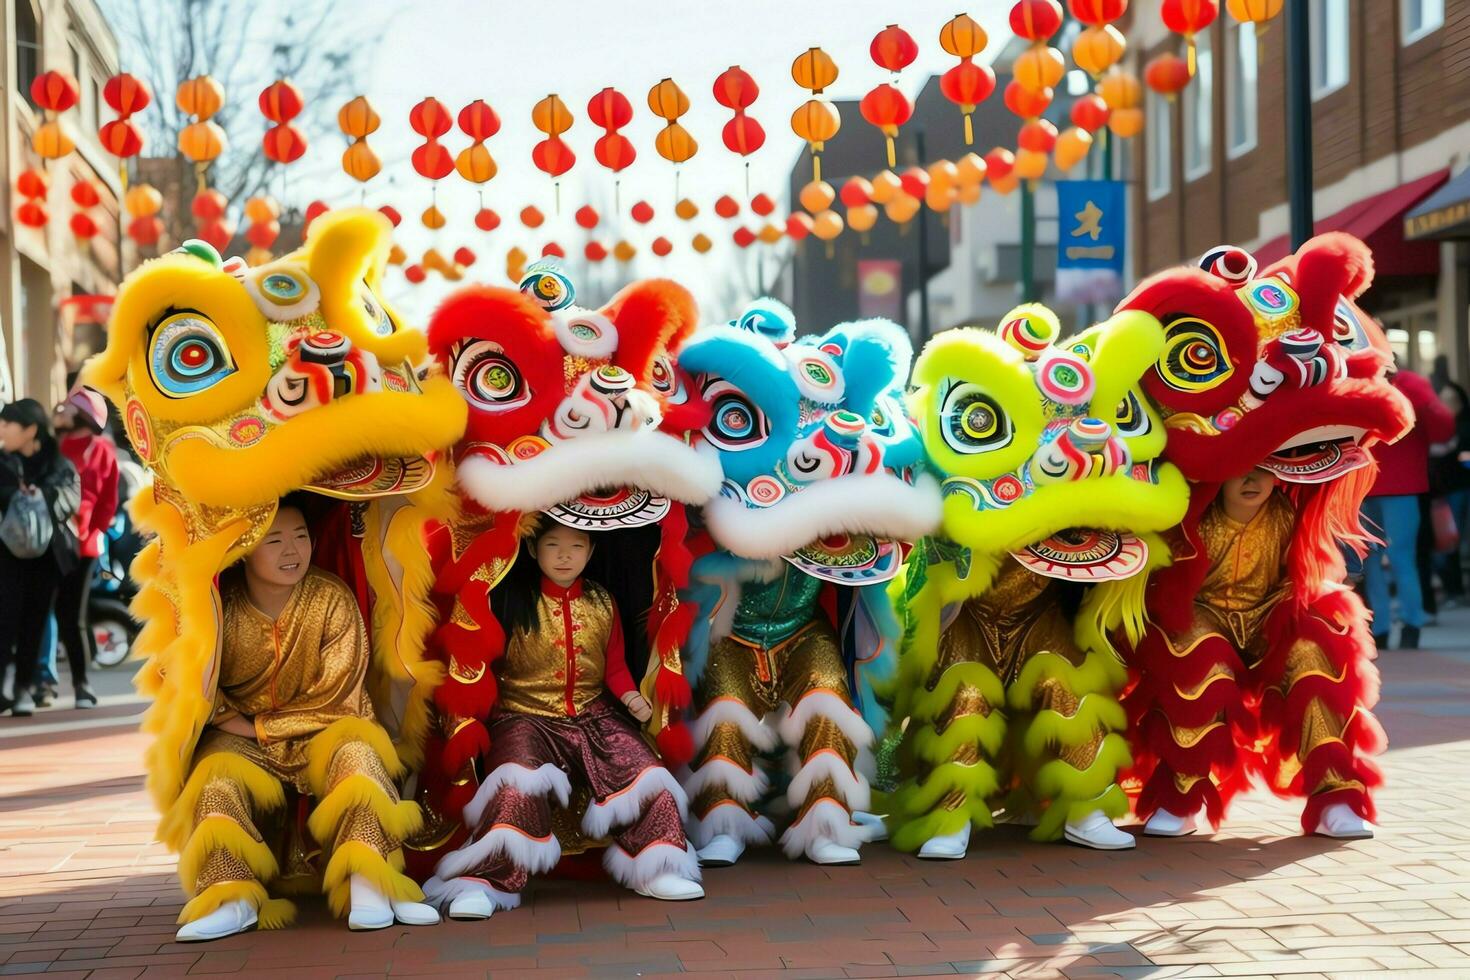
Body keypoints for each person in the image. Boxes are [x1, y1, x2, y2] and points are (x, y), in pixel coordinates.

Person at [171, 498, 439, 942]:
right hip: (244, 744)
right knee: (215, 776)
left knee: (360, 758)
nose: (291, 550)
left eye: (300, 537)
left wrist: (256, 726)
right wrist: (231, 722)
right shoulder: (223, 608)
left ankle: (370, 881)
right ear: (246, 548)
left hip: (324, 731)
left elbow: (339, 699)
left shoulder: (332, 597)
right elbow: (193, 683)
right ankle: (229, 894)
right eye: (274, 540)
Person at [423, 521, 702, 920]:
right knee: (515, 785)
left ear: (591, 552)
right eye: (553, 545)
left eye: (576, 546)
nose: (565, 554)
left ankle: (656, 866)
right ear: (534, 550)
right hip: (524, 717)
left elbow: (615, 668)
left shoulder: (603, 601)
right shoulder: (509, 598)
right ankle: (486, 881)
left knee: (648, 775)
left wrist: (632, 698)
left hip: (594, 714)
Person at [1136, 468, 1382, 839]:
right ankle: (1182, 796)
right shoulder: (1192, 518)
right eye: (1240, 472)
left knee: (1314, 653)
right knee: (1197, 658)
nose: (1250, 482)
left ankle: (1335, 796)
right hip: (1205, 615)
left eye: (1263, 471)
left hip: (1270, 617)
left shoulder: (1290, 515)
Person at [1362, 366, 1455, 650]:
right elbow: (1442, 428)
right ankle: (1407, 624)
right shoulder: (1411, 386)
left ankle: (1384, 627)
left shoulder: (1360, 379)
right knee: (1396, 559)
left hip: (1370, 485)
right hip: (1394, 486)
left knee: (1374, 560)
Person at [0, 399, 79, 716]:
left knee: (34, 623)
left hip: (48, 557)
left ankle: (22, 689)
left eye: (8, 424)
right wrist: (16, 495)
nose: (2, 429)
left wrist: (40, 495)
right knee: (4, 621)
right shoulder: (3, 464)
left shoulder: (58, 464)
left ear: (31, 429)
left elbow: (70, 498)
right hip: (7, 555)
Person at [49, 387, 119, 708]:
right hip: (48, 543)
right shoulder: (52, 446)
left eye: (69, 404)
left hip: (85, 547)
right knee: (37, 613)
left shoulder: (101, 450)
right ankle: (37, 682)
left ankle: (82, 684)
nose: (61, 407)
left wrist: (93, 532)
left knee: (72, 617)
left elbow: (108, 501)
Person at [1430, 380, 1470, 604]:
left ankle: (1457, 589)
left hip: (1462, 487)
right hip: (1444, 491)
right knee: (1448, 543)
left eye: (1451, 400)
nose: (1448, 405)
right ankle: (1454, 589)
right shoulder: (1442, 424)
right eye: (1443, 401)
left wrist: (1460, 457)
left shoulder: (1465, 424)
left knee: (1458, 542)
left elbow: (1466, 459)